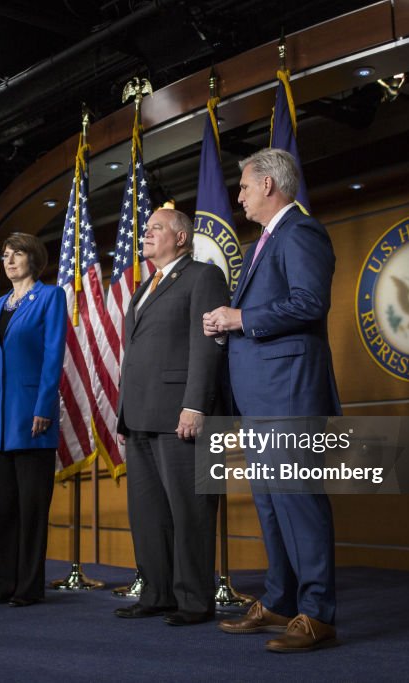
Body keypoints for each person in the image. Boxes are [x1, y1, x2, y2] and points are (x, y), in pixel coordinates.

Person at [203, 148, 341, 652]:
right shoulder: (264, 241)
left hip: (290, 395)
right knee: (270, 506)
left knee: (298, 502)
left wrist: (240, 319)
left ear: (268, 185)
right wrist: (226, 323)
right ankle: (282, 600)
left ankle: (318, 613)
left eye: (242, 185)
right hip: (261, 397)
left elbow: (309, 302)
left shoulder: (301, 230)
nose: (237, 194)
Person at [113, 208, 228, 626]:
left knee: (190, 512)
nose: (145, 234)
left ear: (181, 238)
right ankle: (157, 593)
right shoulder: (145, 286)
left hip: (183, 414)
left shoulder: (203, 276)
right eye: (145, 229)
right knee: (149, 515)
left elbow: (207, 344)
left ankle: (194, 601)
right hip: (140, 415)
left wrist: (195, 403)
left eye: (155, 228)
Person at [0, 232, 66, 607]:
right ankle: (3, 583)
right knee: (2, 507)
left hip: (32, 415)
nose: (9, 260)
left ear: (35, 259)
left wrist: (45, 406)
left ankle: (27, 587)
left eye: (17, 254)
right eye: (5, 255)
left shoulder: (50, 297)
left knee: (30, 509)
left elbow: (53, 353)